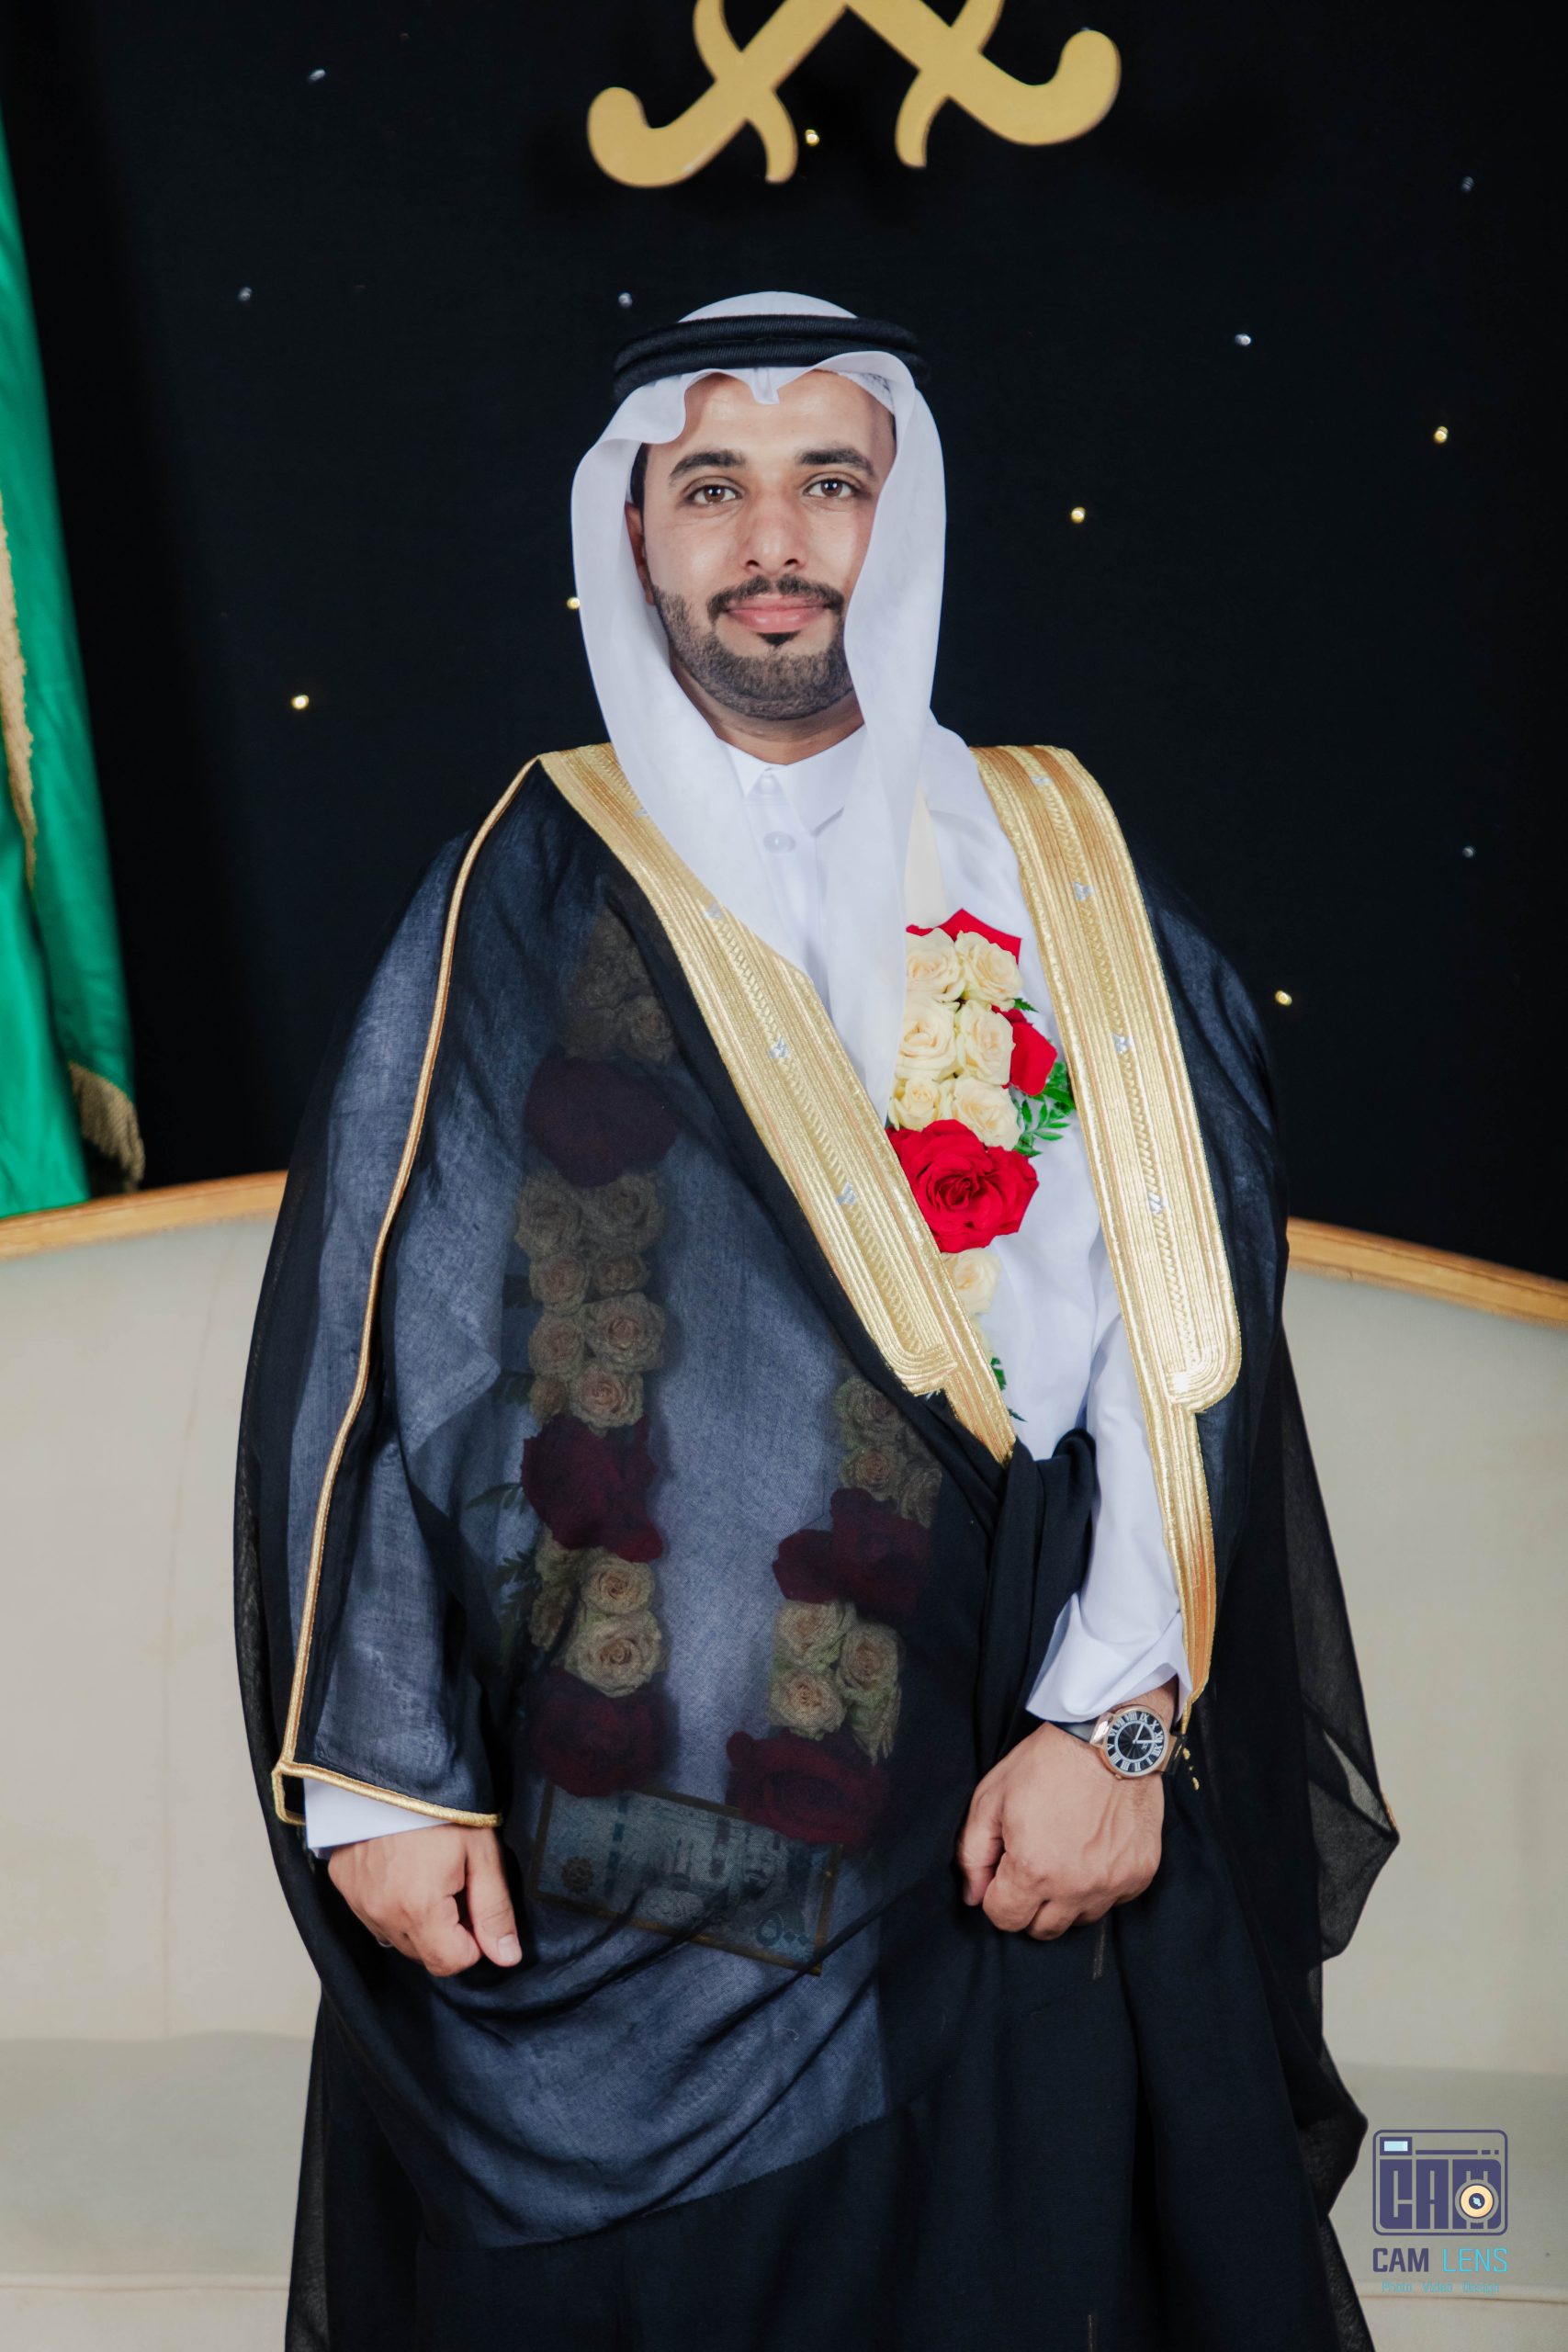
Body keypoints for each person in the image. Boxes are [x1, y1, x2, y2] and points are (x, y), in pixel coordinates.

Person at [235, 291, 1397, 2351]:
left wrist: (1115, 1726)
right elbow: (372, 1354)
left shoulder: (1056, 860)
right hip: (602, 1850)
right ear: (636, 531)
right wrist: (387, 1779)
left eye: (827, 481)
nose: (773, 539)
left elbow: (1182, 1330)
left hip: (998, 1808)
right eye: (714, 487)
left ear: (899, 512)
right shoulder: (516, 882)